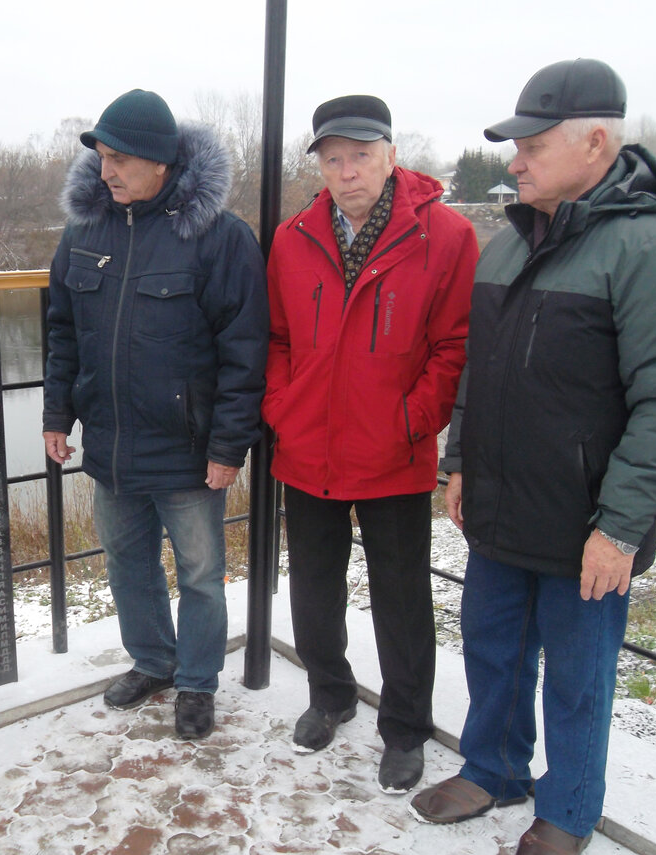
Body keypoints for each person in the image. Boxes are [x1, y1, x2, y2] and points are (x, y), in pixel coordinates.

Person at [410, 59, 656, 855]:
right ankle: (493, 770)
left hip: (589, 521)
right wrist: (461, 464)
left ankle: (568, 810)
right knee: (491, 650)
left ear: (595, 141)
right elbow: (481, 370)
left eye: (533, 145)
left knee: (579, 678)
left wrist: (619, 526)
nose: (516, 161)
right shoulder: (512, 241)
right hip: (501, 505)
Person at [263, 95, 477, 792]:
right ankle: (330, 696)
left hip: (394, 452)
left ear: (390, 153)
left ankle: (406, 728)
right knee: (313, 588)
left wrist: (413, 420)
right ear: (320, 164)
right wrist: (282, 408)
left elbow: (456, 345)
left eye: (360, 155)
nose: (346, 170)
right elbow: (277, 340)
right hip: (309, 448)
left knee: (402, 599)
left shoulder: (442, 236)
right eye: (333, 158)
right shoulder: (293, 238)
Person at [42, 89, 268, 741]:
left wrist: (229, 446)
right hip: (112, 447)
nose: (105, 170)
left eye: (120, 159)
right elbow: (62, 331)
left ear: (162, 162)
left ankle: (196, 682)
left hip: (188, 451)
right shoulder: (85, 233)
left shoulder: (219, 238)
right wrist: (58, 414)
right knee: (126, 562)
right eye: (102, 157)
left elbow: (244, 351)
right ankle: (154, 662)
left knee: (200, 574)